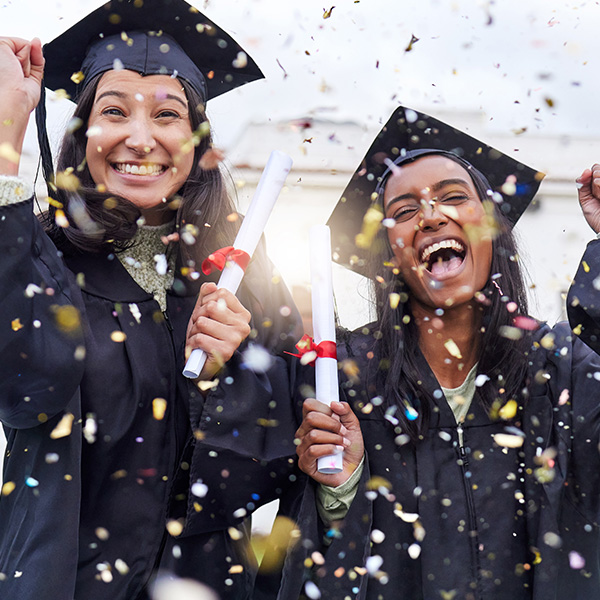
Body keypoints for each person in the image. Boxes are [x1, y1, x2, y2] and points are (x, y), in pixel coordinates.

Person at [0, 1, 302, 599]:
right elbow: (24, 388)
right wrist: (6, 138)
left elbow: (282, 457)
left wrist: (223, 379)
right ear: (83, 131)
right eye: (113, 111)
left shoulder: (244, 271)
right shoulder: (36, 254)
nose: (141, 138)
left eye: (168, 115)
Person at [264, 106, 600, 599]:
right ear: (389, 253)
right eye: (403, 211)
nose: (431, 215)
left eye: (453, 198)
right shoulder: (346, 382)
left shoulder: (559, 369)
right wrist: (341, 490)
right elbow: (310, 560)